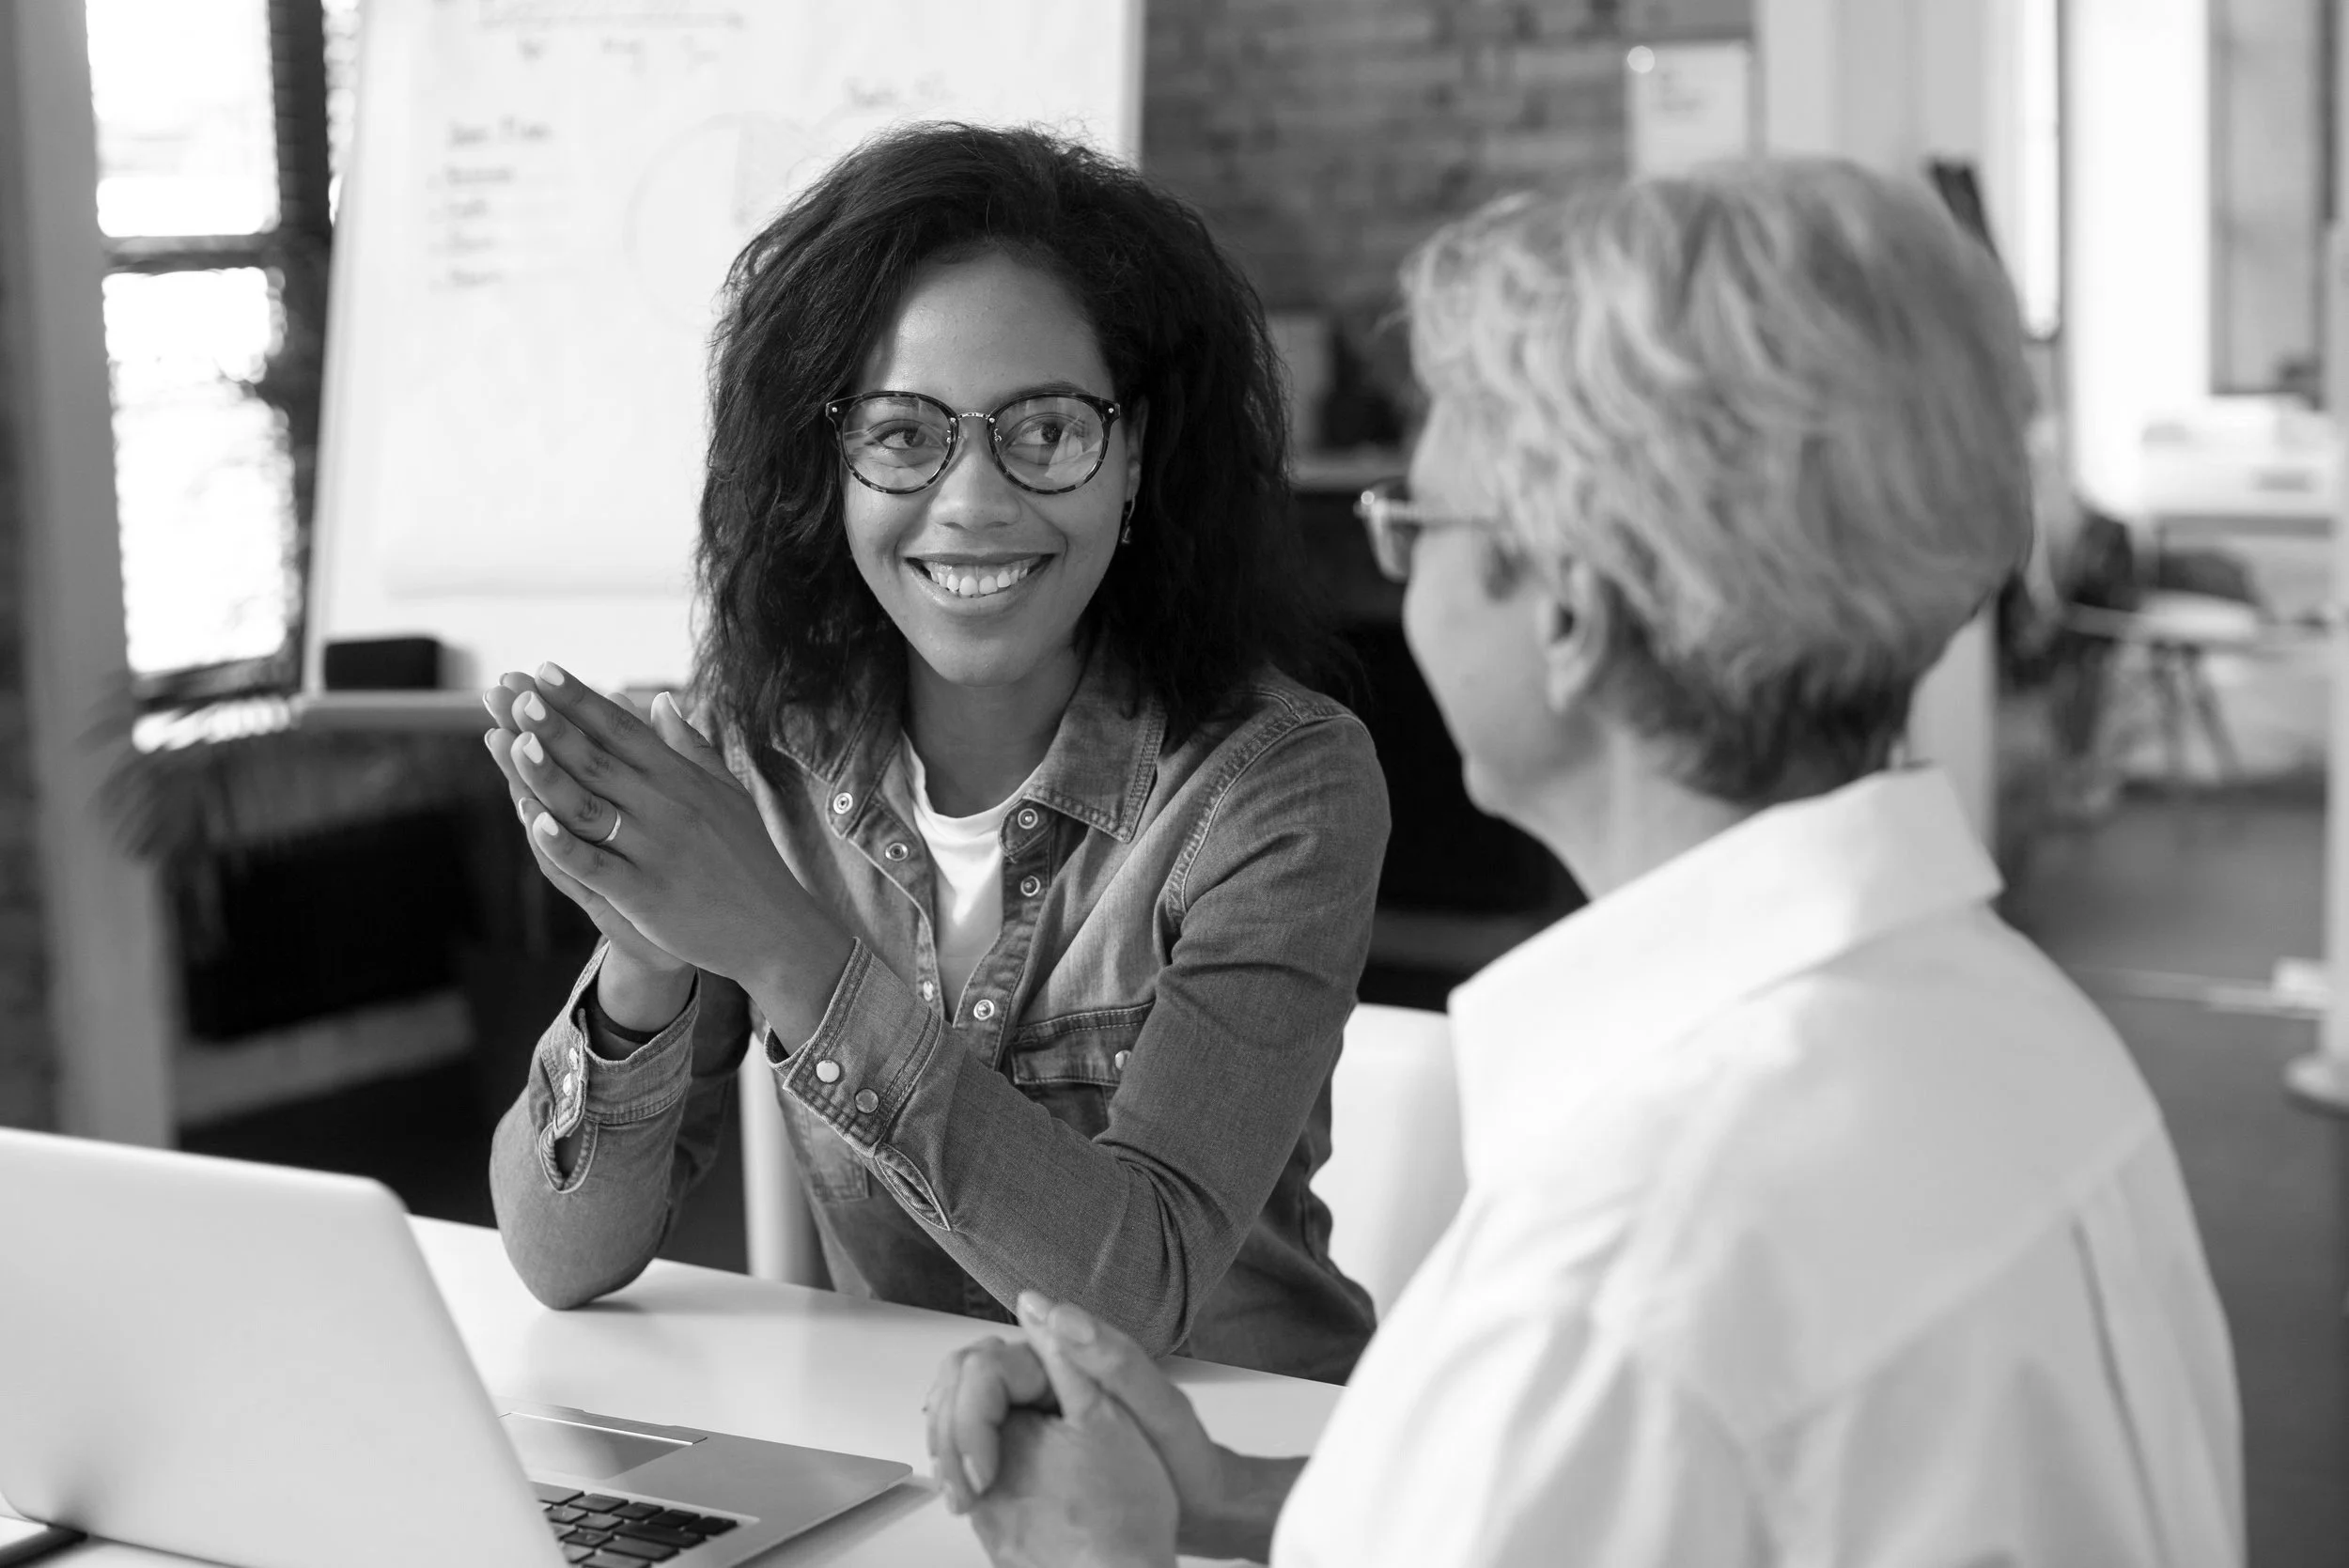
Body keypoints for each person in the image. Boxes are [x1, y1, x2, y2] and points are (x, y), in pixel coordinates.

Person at [923, 157, 2245, 1566]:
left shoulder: (1623, 1278)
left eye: (1415, 523)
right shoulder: (2022, 1029)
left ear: (1573, 611)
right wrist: (1231, 1501)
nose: (1400, 569)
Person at [480, 121, 1389, 1384]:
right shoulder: (770, 747)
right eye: (905, 433)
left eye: (1048, 431)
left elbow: (1141, 1287)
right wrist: (646, 953)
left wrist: (783, 947)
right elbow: (557, 1256)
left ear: (1137, 460)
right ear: (829, 465)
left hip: (1243, 1466)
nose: (971, 502)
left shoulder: (1279, 784)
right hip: (920, 1461)